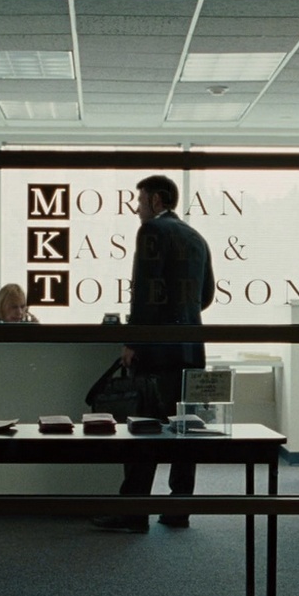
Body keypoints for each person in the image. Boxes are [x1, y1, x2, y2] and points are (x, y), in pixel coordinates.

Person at [92, 174, 215, 533]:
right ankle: (178, 510)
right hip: (190, 348)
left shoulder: (151, 231)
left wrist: (134, 340)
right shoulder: (196, 237)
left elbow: (145, 291)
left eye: (140, 200)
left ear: (157, 200)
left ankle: (134, 513)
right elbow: (205, 295)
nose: (136, 208)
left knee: (142, 431)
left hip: (157, 351)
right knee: (184, 432)